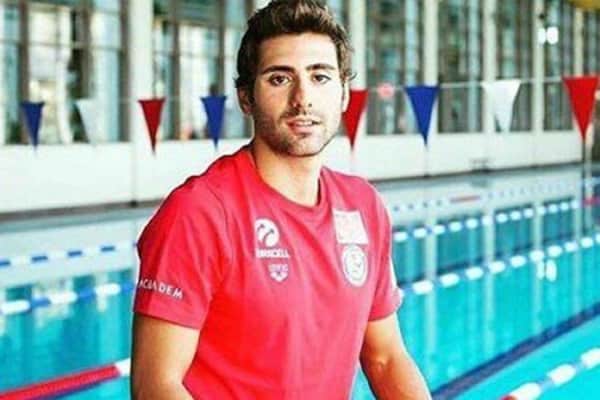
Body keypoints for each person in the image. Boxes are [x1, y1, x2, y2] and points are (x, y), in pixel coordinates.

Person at [130, 1, 431, 398]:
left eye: (320, 77)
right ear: (246, 98)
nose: (302, 98)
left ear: (344, 93)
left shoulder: (364, 207)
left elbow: (386, 358)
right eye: (279, 78)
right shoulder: (199, 213)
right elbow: (156, 385)